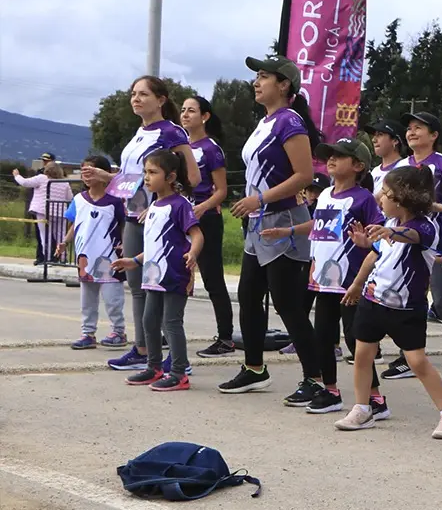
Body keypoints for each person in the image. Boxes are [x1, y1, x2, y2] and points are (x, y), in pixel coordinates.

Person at [217, 56, 321, 399]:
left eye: (264, 76)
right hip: (258, 223)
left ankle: (315, 378)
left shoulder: (290, 122)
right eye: (256, 76)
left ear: (284, 84)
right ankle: (254, 368)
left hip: (282, 220)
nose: (256, 82)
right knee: (248, 297)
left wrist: (259, 199)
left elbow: (304, 176)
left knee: (288, 304)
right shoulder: (265, 122)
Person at [334, 166, 442, 438]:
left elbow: (412, 237)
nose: (380, 198)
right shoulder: (387, 225)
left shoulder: (425, 226)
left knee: (417, 362)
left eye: (387, 194)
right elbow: (374, 257)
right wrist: (357, 280)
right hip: (373, 300)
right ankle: (362, 408)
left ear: (402, 199)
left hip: (406, 308)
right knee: (362, 356)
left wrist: (391, 234)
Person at [89, 76, 200, 374]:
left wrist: (160, 205)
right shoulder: (139, 132)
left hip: (157, 219)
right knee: (139, 285)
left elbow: (193, 177)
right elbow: (131, 180)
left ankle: (173, 357)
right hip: (134, 216)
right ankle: (143, 349)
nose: (136, 99)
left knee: (164, 286)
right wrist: (107, 179)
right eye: (133, 94)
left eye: (144, 94)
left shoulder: (171, 132)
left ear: (161, 100)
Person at [284, 138, 386, 417]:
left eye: (339, 156)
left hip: (351, 281)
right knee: (323, 336)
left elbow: (379, 233)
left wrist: (368, 241)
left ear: (358, 165)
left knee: (356, 340)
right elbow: (319, 231)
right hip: (322, 279)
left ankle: (375, 398)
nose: (330, 160)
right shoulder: (325, 194)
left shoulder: (363, 198)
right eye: (329, 155)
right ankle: (330, 391)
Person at [384, 112, 442, 387]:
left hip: (438, 245)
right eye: (409, 128)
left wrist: (440, 207)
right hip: (406, 242)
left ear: (433, 135)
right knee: (409, 298)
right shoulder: (401, 165)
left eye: (418, 128)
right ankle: (408, 358)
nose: (411, 133)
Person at [113, 150, 202, 392]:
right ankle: (154, 367)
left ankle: (179, 372)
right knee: (149, 321)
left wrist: (193, 253)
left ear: (171, 177)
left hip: (174, 274)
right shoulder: (153, 206)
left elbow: (196, 234)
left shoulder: (180, 205)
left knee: (171, 323)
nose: (147, 178)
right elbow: (155, 244)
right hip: (153, 275)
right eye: (145, 172)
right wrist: (135, 260)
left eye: (153, 172)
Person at [179, 95, 236, 356]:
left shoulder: (211, 149)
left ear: (205, 116)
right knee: (176, 274)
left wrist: (201, 207)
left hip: (205, 218)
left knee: (212, 279)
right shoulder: (178, 147)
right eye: (183, 110)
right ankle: (171, 330)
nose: (185, 114)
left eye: (191, 110)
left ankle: (225, 338)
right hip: (179, 215)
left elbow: (222, 190)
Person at [56, 154, 127, 350]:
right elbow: (75, 224)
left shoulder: (116, 201)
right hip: (85, 259)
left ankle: (118, 332)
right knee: (87, 300)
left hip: (109, 258)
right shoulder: (79, 200)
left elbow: (124, 225)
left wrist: (125, 244)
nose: (87, 176)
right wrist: (65, 242)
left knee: (113, 299)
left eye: (91, 171)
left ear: (103, 173)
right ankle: (88, 333)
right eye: (84, 171)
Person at [12, 157, 72, 265]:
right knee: (61, 236)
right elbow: (69, 198)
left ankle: (48, 258)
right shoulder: (65, 183)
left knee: (45, 236)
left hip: (43, 211)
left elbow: (25, 183)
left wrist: (17, 175)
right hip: (60, 212)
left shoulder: (41, 178)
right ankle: (63, 258)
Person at [368, 121, 407, 190]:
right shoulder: (375, 171)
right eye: (374, 135)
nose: (373, 140)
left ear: (395, 141)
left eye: (380, 134)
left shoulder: (405, 167)